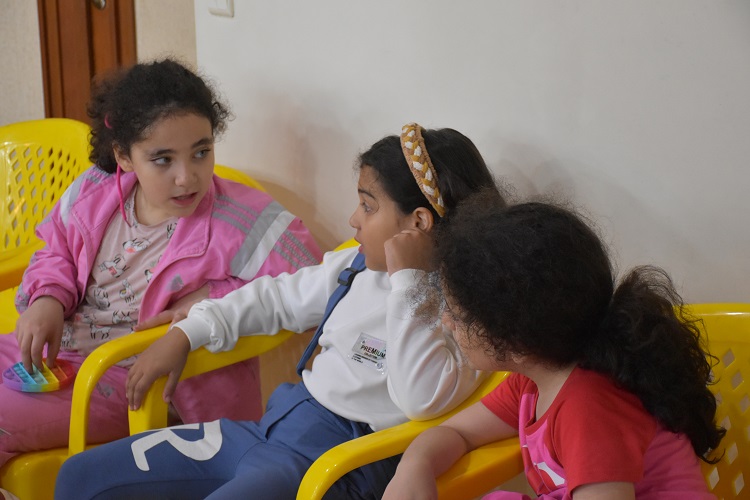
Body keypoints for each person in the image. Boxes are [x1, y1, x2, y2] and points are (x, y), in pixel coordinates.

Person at [54, 123, 502, 499]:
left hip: (332, 464)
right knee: (80, 477)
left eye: (368, 206)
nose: (353, 219)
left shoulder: (466, 315)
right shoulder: (355, 266)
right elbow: (276, 298)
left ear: (418, 223)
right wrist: (189, 331)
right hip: (271, 429)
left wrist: (410, 282)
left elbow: (419, 399)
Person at [0, 58, 322, 470]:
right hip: (56, 350)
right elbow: (55, 250)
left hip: (132, 380)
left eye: (201, 152)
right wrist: (47, 297)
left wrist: (211, 297)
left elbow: (312, 280)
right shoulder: (94, 189)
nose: (187, 177)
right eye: (163, 159)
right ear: (124, 156)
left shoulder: (238, 217)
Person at [382, 191, 725, 500]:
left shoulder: (589, 407)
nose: (447, 321)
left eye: (458, 315)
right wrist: (415, 465)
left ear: (515, 340)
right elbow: (457, 432)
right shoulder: (532, 382)